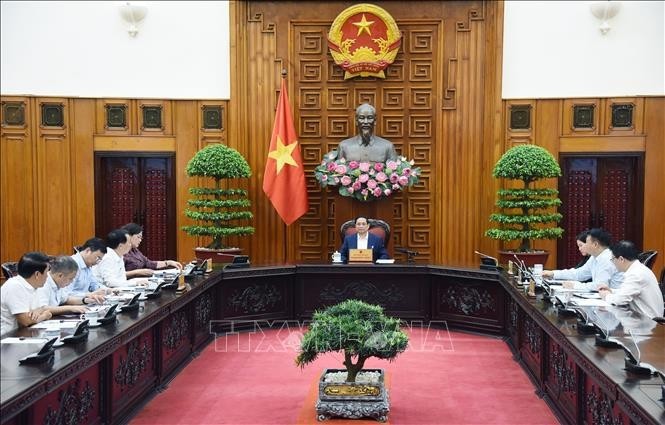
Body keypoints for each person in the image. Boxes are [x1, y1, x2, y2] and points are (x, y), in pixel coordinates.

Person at [599, 241, 664, 319]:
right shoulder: (637, 269)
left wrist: (606, 296)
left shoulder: (636, 274)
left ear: (621, 259)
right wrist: (611, 291)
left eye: (613, 259)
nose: (613, 263)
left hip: (648, 322)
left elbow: (620, 300)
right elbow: (628, 292)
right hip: (641, 318)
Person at [542, 228, 622, 290]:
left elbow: (600, 285)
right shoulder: (594, 257)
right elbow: (579, 274)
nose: (584, 246)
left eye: (586, 243)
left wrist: (575, 285)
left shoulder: (607, 258)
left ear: (595, 245)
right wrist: (553, 273)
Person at [1, 252, 52, 335]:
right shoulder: (14, 286)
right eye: (46, 272)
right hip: (7, 337)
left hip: (24, 334)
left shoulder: (34, 285)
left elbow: (45, 309)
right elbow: (25, 321)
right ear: (37, 274)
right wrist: (44, 316)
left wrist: (41, 311)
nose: (47, 276)